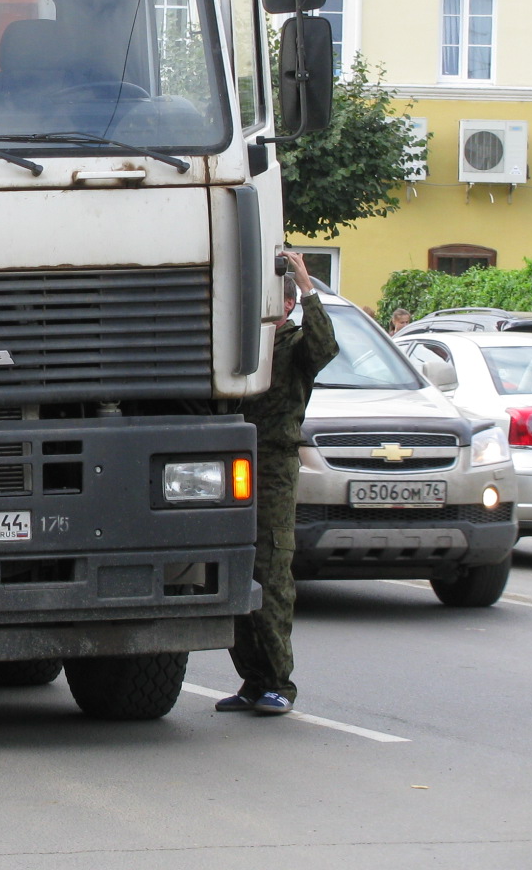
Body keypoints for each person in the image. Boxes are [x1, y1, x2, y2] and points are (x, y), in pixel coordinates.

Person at [217, 250, 338, 717]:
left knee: (270, 574)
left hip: (273, 467)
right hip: (233, 464)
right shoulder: (248, 346)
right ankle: (251, 679)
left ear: (285, 305)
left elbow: (326, 348)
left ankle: (278, 684)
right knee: (235, 576)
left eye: (278, 302)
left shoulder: (294, 346)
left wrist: (307, 286)